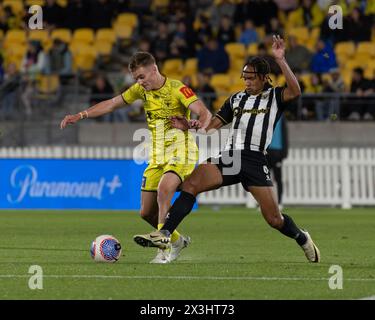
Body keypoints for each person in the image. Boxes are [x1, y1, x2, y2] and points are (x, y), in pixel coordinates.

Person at [134, 36, 320, 263]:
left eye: (251, 78)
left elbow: (296, 91)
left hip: (254, 160)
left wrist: (281, 60)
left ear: (263, 78)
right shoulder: (236, 99)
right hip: (231, 156)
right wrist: (192, 126)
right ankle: (165, 234)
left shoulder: (274, 96)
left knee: (274, 219)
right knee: (191, 183)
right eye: (244, 78)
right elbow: (211, 127)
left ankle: (302, 237)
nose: (247, 82)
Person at [60, 52, 211, 263]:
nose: (140, 82)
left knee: (165, 188)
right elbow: (112, 103)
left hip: (181, 150)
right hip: (158, 155)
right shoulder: (140, 90)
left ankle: (163, 250)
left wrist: (197, 123)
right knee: (146, 212)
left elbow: (204, 112)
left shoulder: (178, 89)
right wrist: (81, 115)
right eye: (136, 79)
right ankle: (177, 242)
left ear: (154, 70)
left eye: (142, 77)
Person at [265, 114, 288, 209]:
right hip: (266, 150)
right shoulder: (265, 115)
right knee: (265, 179)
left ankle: (279, 202)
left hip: (277, 152)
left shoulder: (281, 116)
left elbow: (285, 135)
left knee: (278, 178)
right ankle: (265, 203)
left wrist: (284, 153)